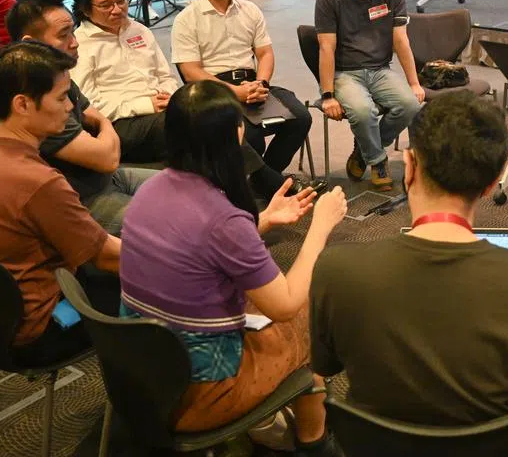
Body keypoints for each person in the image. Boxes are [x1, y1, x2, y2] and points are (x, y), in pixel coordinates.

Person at [310, 91, 508, 425]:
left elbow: (326, 364)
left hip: (376, 446)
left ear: (409, 167)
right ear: (491, 184)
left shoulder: (337, 272)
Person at [120, 80, 347, 453]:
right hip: (201, 393)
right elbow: (285, 305)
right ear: (236, 135)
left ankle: (298, 425)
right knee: (311, 311)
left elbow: (197, 248)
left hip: (142, 373)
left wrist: (263, 221)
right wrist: (320, 227)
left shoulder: (150, 190)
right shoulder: (223, 219)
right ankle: (314, 442)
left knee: (273, 300)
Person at [0, 41, 121, 365]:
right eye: (61, 98)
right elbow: (107, 257)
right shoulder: (37, 181)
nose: (70, 108)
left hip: (0, 321)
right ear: (23, 104)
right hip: (47, 327)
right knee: (173, 286)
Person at [5, 0, 157, 235]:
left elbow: (97, 118)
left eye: (73, 32)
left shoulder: (56, 75)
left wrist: (102, 127)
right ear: (31, 42)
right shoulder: (32, 102)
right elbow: (107, 157)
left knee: (189, 190)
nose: (75, 43)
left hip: (106, 178)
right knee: (173, 221)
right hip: (80, 202)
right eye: (63, 35)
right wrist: (104, 129)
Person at [173, 0, 312, 176]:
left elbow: (265, 53)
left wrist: (262, 83)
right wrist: (235, 92)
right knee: (250, 135)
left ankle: (264, 181)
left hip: (252, 84)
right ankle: (268, 183)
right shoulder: (186, 19)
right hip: (212, 92)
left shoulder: (250, 9)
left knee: (300, 118)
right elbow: (190, 72)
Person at [314, 0, 424, 191]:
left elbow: (401, 41)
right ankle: (377, 161)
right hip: (345, 73)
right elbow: (326, 47)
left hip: (380, 70)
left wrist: (414, 83)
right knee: (364, 112)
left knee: (410, 105)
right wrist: (327, 95)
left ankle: (364, 150)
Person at [72, 0, 179, 164]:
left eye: (121, 0)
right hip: (118, 123)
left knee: (214, 110)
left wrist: (168, 96)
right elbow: (87, 106)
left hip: (161, 108)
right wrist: (145, 105)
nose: (117, 9)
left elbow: (166, 76)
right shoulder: (79, 44)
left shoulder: (140, 30)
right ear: (85, 9)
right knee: (184, 126)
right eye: (106, 5)